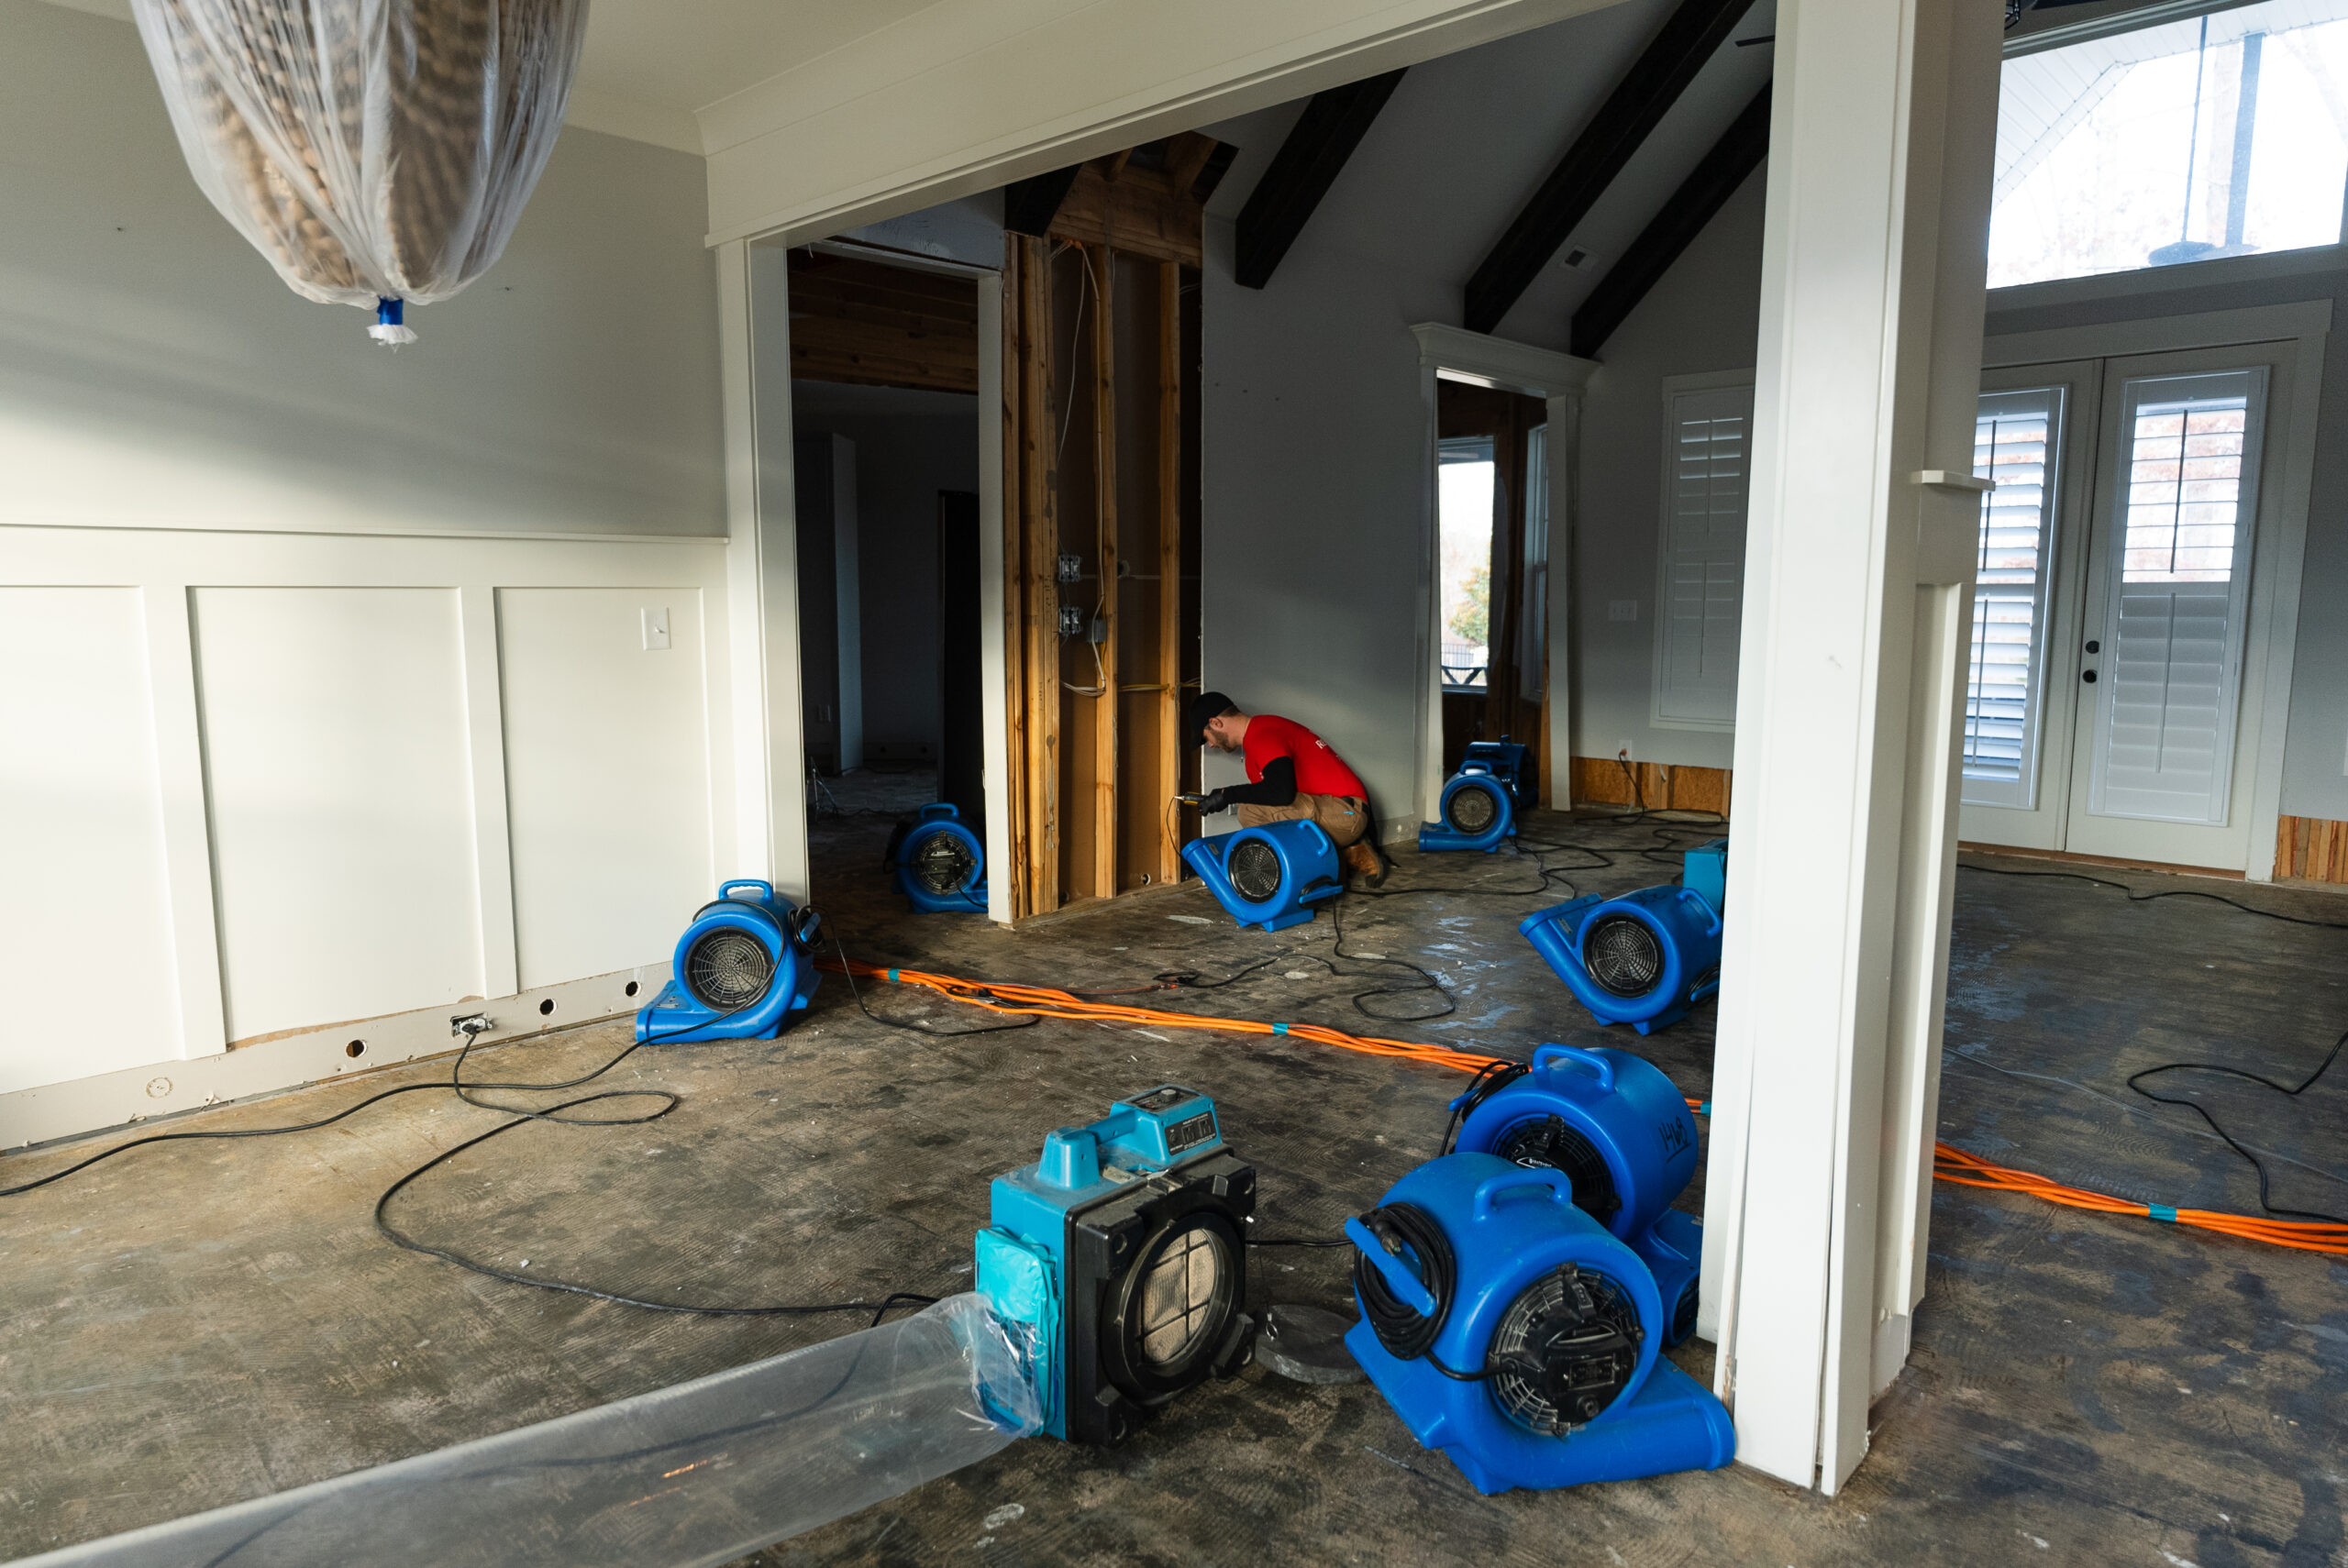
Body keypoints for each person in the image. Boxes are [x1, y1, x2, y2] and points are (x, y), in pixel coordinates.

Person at [1190, 690, 1387, 889]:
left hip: (1348, 812)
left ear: (1216, 723)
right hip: (1336, 813)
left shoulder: (1263, 735)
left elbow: (1281, 793)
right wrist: (1226, 796)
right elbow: (1272, 798)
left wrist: (1227, 795)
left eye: (1206, 738)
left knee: (1249, 810)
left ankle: (1317, 869)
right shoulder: (1257, 742)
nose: (1211, 745)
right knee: (1255, 808)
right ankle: (1343, 857)